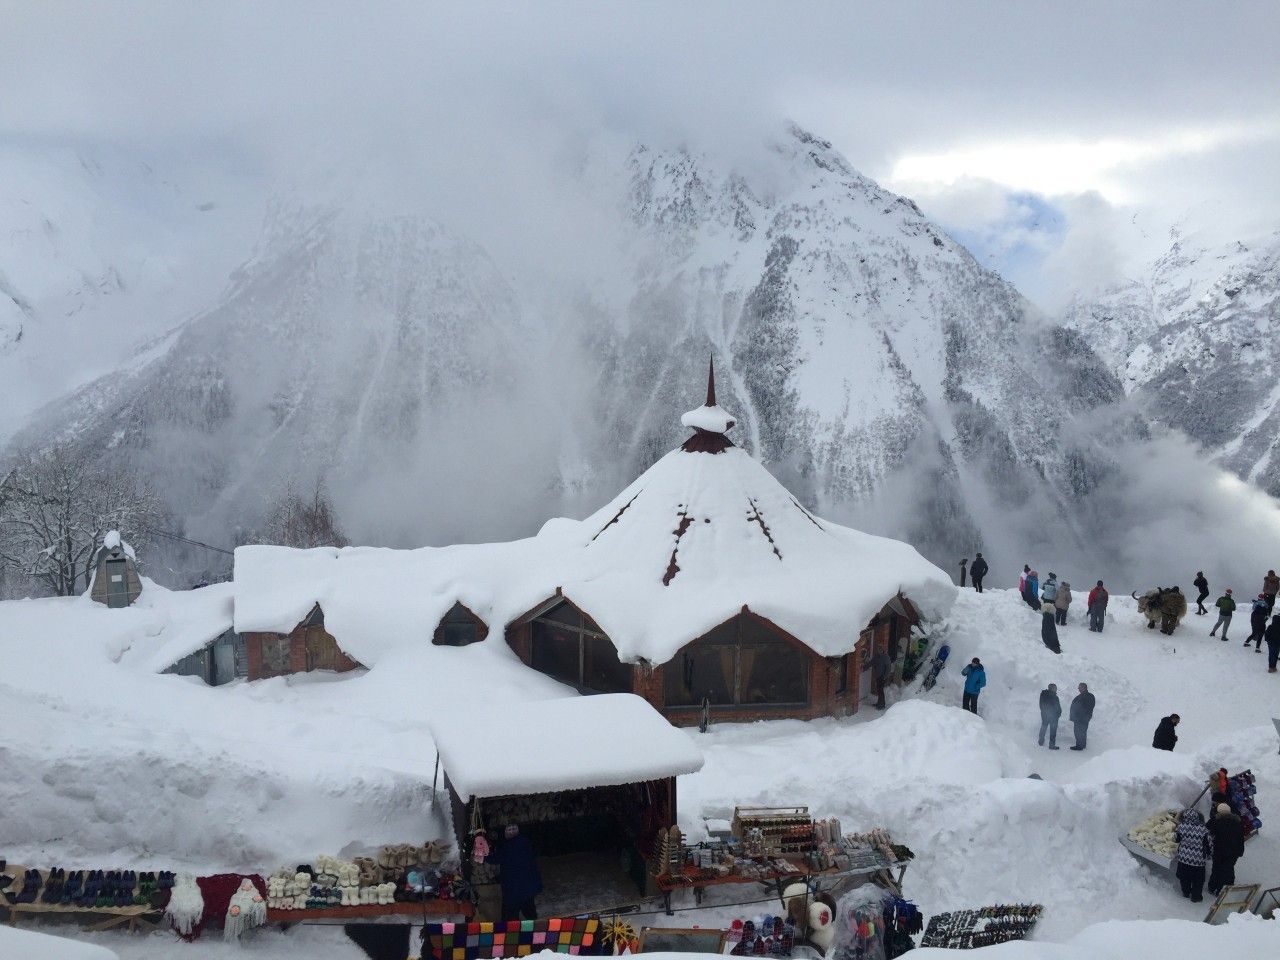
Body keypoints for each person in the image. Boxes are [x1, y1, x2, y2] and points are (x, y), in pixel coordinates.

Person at [492, 824, 542, 920]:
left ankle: (514, 928)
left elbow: (495, 858)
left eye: (513, 829)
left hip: (513, 889)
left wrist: (482, 856)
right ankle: (534, 927)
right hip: (526, 887)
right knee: (530, 913)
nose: (511, 831)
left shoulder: (506, 847)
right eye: (509, 829)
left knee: (512, 917)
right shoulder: (525, 842)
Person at [1207, 803, 1246, 895]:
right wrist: (1240, 851)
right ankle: (1226, 890)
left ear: (1218, 811)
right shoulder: (1237, 822)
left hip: (1219, 850)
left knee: (1216, 868)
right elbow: (1241, 838)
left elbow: (1207, 829)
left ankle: (1213, 887)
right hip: (1233, 852)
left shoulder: (1216, 821)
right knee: (1229, 869)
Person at [1174, 808, 1212, 902]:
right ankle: (1196, 896)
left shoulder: (1181, 827)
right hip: (1198, 860)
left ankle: (1186, 892)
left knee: (1184, 877)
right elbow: (1209, 844)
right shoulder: (1203, 829)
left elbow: (1176, 839)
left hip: (1183, 858)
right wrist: (1209, 854)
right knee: (1198, 880)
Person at [1069, 683, 1095, 750]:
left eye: (1079, 687)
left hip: (1081, 718)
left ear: (1083, 688)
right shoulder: (1085, 696)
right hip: (1082, 718)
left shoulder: (1087, 696)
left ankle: (1079, 746)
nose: (1078, 688)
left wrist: (1081, 715)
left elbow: (1089, 707)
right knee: (1082, 731)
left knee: (1079, 732)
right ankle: (1082, 745)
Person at [1038, 683, 1061, 749]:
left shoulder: (1044, 695)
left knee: (1044, 727)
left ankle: (1041, 741)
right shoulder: (1050, 696)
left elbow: (1041, 705)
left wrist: (1058, 714)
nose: (1056, 689)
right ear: (1052, 688)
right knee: (1052, 730)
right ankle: (1051, 745)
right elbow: (1042, 705)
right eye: (1055, 688)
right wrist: (1057, 714)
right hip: (1051, 716)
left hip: (1048, 716)